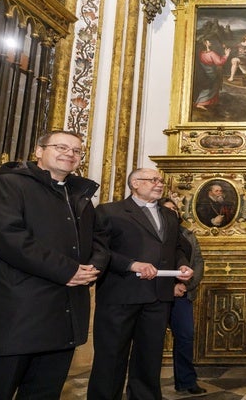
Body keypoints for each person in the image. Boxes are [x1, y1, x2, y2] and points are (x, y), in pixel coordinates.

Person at [0, 130, 107, 398]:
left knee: (44, 393)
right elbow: (8, 237)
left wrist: (93, 267)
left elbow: (98, 240)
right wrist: (67, 270)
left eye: (76, 151)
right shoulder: (8, 185)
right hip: (18, 315)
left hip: (64, 317)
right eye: (61, 147)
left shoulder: (79, 195)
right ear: (39, 151)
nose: (70, 154)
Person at [88, 168, 193, 399]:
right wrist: (131, 265)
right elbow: (98, 250)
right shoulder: (110, 211)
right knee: (111, 357)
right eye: (153, 180)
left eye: (161, 180)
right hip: (120, 295)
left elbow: (176, 248)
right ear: (135, 183)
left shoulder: (169, 215)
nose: (159, 184)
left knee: (149, 357)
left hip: (157, 297)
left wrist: (182, 265)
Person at [160, 197, 206, 395]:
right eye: (168, 209)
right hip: (158, 293)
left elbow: (197, 262)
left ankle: (186, 381)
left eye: (175, 209)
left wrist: (185, 285)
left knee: (186, 336)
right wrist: (169, 287)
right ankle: (146, 383)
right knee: (150, 338)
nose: (173, 212)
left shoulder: (187, 234)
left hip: (183, 294)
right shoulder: (154, 234)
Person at [193, 37, 231, 111]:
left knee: (213, 87)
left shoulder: (201, 53)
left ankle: (211, 102)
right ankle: (200, 103)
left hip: (206, 72)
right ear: (205, 43)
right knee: (212, 87)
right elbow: (220, 62)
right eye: (209, 41)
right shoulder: (211, 53)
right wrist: (227, 55)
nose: (211, 42)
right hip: (212, 73)